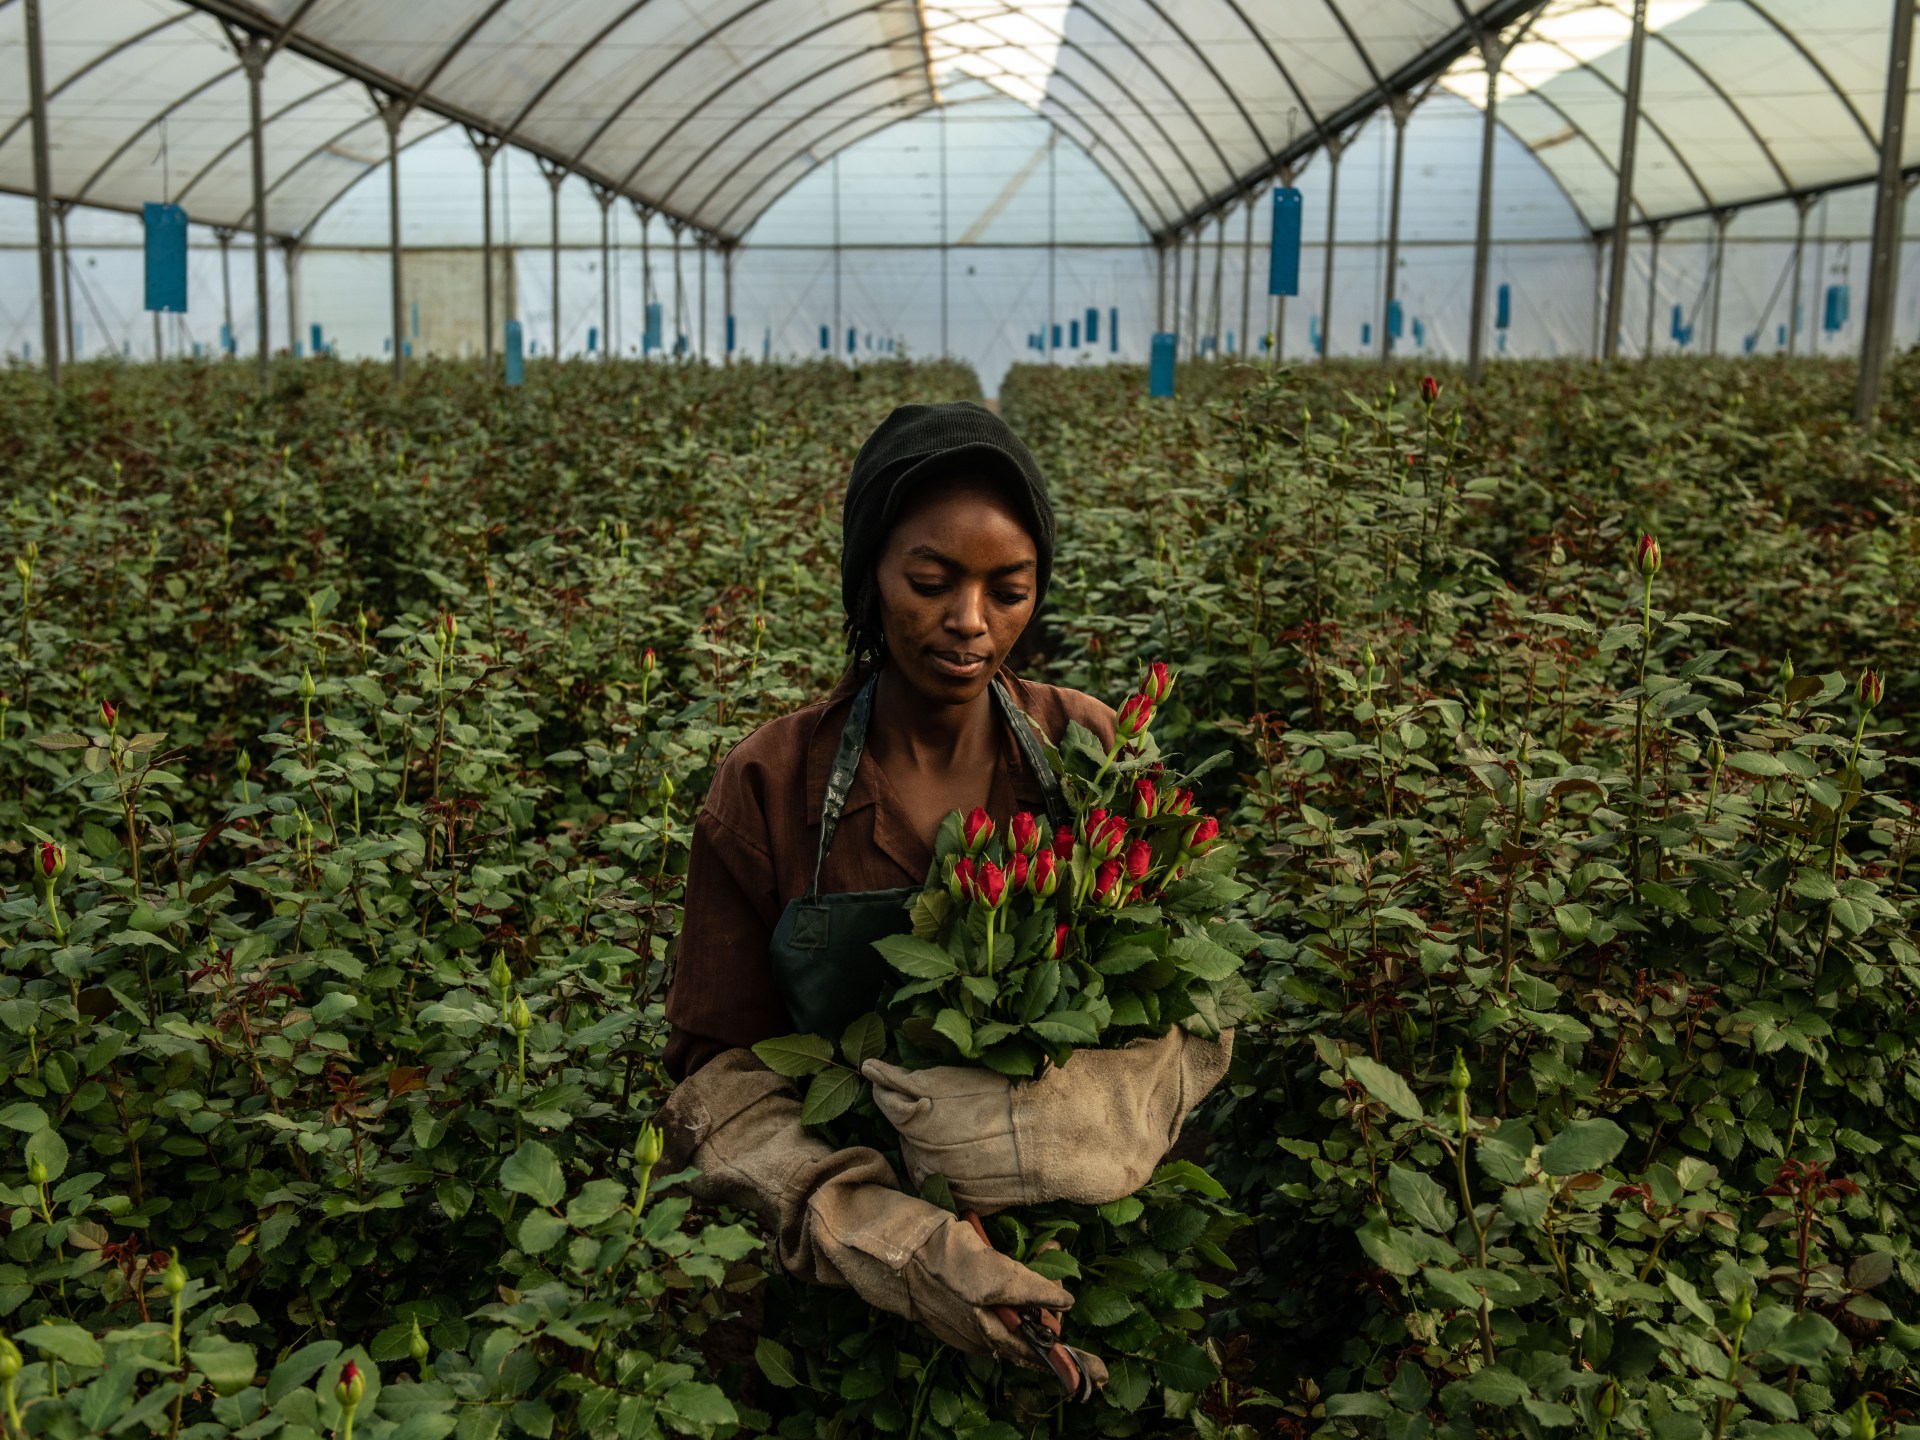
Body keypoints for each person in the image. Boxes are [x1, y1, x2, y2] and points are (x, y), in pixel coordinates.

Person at [658, 401, 1231, 1375]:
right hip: (843, 1307)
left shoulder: (1092, 752)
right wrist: (890, 1235)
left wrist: (1065, 1125)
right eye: (930, 583)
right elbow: (717, 1072)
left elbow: (1183, 999)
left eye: (1008, 591)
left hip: (1080, 1270)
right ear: (869, 578)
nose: (970, 621)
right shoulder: (769, 784)